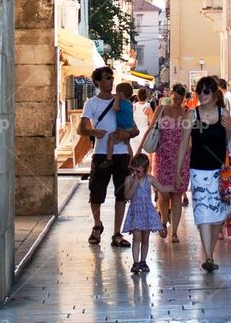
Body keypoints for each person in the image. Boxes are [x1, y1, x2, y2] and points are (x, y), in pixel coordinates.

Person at [175, 75, 231, 271]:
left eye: (206, 91)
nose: (201, 95)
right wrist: (178, 170)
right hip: (199, 169)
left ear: (214, 93)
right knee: (202, 211)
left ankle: (210, 250)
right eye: (198, 91)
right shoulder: (191, 115)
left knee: (219, 214)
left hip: (220, 171)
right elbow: (184, 143)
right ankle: (208, 257)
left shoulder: (224, 114)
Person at [78, 66, 139, 248]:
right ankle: (97, 226)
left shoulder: (122, 101)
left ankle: (117, 233)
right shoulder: (92, 103)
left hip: (121, 155)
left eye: (112, 77)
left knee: (121, 195)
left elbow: (134, 129)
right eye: (107, 77)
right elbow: (81, 129)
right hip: (101, 153)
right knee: (96, 193)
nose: (111, 80)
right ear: (98, 81)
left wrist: (127, 135)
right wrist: (92, 131)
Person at [139, 82, 190, 242]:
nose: (176, 102)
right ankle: (162, 220)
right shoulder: (161, 110)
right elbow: (151, 128)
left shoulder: (187, 113)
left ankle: (174, 232)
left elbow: (190, 138)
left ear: (183, 99)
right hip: (162, 156)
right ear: (170, 95)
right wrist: (139, 148)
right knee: (163, 193)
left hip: (181, 158)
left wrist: (188, 151)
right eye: (174, 98)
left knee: (177, 194)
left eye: (179, 99)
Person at [122, 153, 173, 275]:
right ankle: (135, 262)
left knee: (145, 238)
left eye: (138, 171)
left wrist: (173, 187)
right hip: (135, 212)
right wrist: (133, 186)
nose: (135, 173)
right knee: (136, 237)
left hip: (147, 212)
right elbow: (127, 196)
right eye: (132, 170)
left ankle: (143, 261)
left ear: (145, 170)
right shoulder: (129, 179)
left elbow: (162, 189)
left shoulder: (149, 179)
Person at [107, 81, 135, 153]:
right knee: (127, 144)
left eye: (117, 93)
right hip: (130, 127)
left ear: (121, 94)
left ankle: (108, 158)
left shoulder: (122, 103)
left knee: (111, 139)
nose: (115, 94)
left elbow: (115, 108)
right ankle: (131, 160)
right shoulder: (129, 103)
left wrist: (116, 99)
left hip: (123, 128)